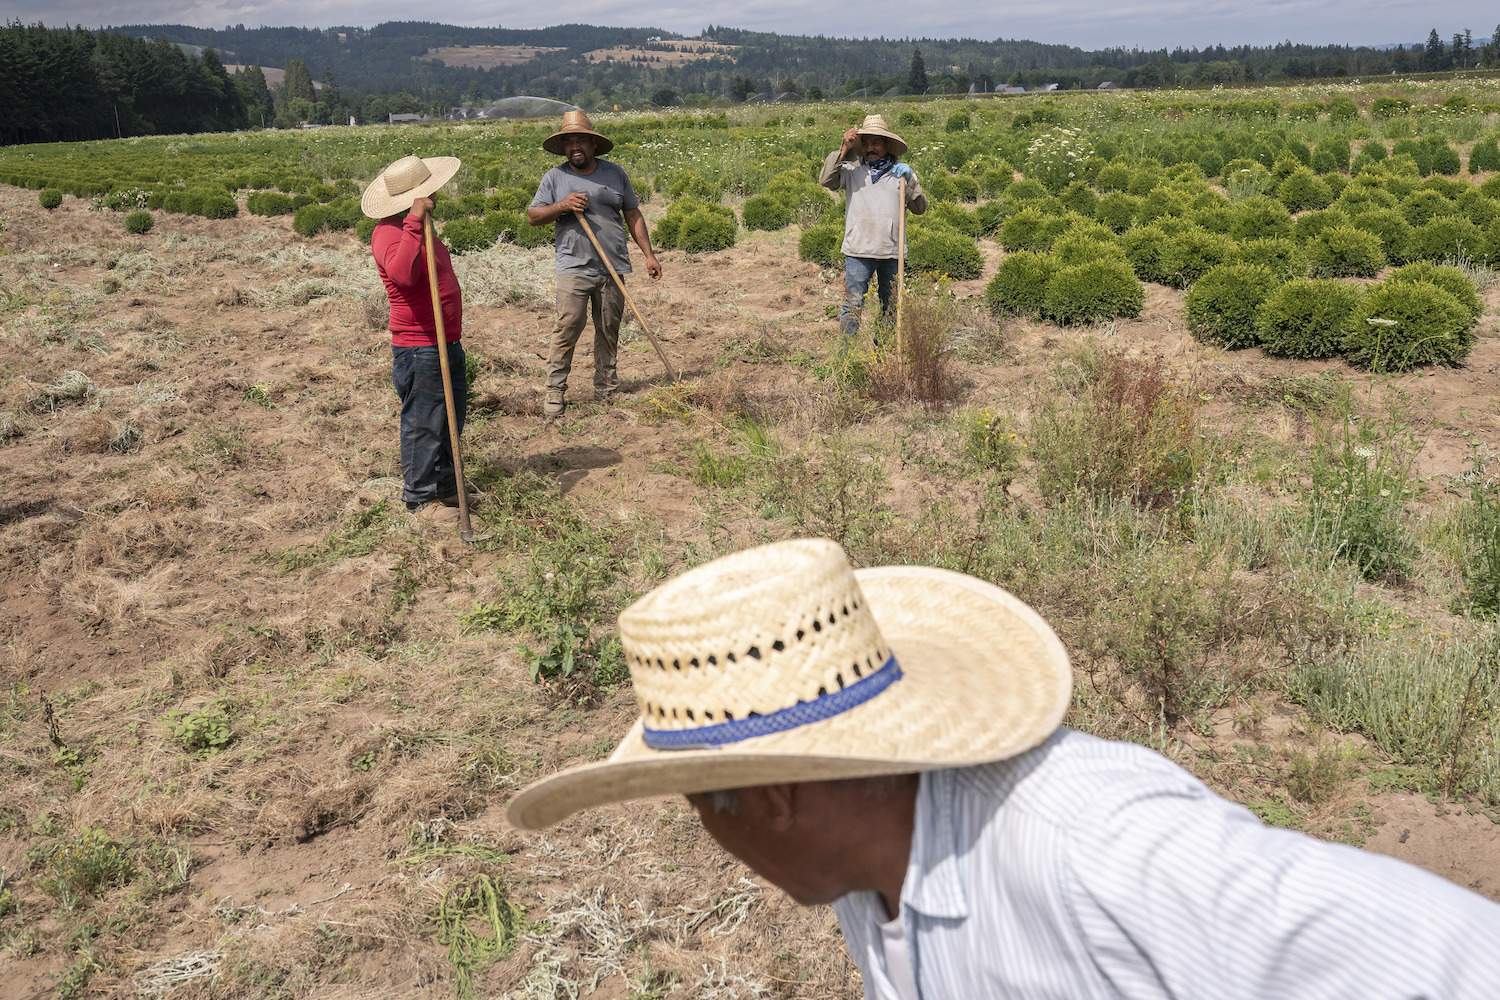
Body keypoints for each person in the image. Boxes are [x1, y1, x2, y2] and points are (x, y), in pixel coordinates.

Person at [509, 538, 1500, 999]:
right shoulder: (870, 878)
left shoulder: (1098, 847)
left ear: (772, 796)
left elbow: (1454, 957)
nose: (707, 839)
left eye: (698, 805)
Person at [527, 110, 661, 419]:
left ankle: (606, 387)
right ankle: (555, 392)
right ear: (563, 147)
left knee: (608, 329)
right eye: (569, 142)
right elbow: (533, 216)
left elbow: (632, 215)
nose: (575, 147)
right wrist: (562, 205)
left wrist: (649, 255)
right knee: (567, 328)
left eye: (581, 141)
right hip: (573, 267)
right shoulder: (554, 178)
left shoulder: (615, 174)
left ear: (592, 143)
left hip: (612, 266)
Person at [362, 153, 467, 518]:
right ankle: (420, 499)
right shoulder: (389, 233)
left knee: (450, 418)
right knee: (424, 421)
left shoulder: (421, 228)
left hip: (445, 341)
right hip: (419, 347)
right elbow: (404, 276)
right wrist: (413, 222)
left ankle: (448, 488)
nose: (436, 196)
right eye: (429, 192)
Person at [819, 114, 927, 339]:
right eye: (865, 143)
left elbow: (919, 208)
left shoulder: (902, 174)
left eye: (875, 142)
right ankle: (848, 357)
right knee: (853, 305)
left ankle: (884, 354)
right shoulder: (851, 171)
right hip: (858, 251)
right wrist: (843, 148)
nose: (870, 148)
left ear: (888, 145)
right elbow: (826, 180)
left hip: (892, 252)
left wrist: (911, 182)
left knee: (891, 306)